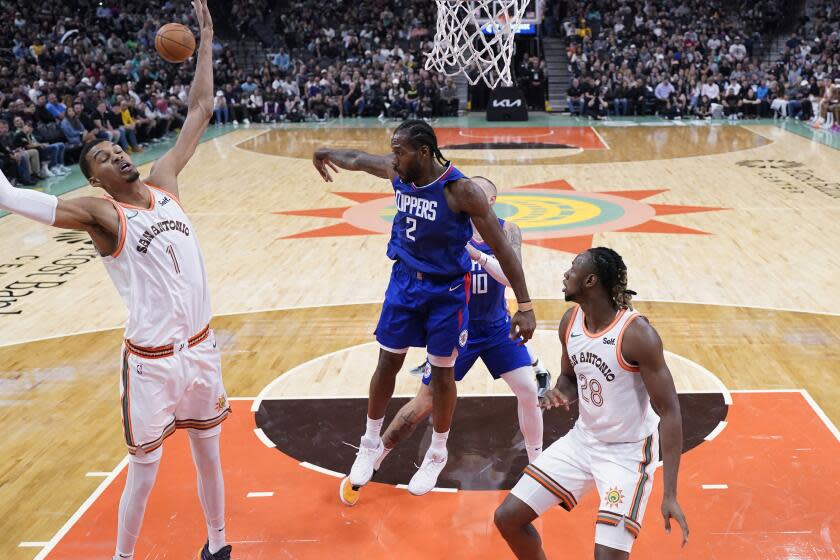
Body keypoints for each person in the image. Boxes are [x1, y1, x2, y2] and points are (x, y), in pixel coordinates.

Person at [0, 2, 232, 559]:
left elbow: (200, 107)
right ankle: (123, 558)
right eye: (103, 156)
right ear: (95, 178)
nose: (117, 156)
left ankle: (219, 546)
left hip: (200, 349)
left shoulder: (166, 179)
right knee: (145, 472)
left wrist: (204, 37)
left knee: (210, 454)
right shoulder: (103, 215)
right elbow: (16, 198)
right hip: (151, 362)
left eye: (117, 148)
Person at [313, 121, 536, 496]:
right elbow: (357, 159)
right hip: (403, 282)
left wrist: (526, 305)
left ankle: (436, 453)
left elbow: (503, 250)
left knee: (442, 376)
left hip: (445, 291)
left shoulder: (460, 191)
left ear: (424, 152)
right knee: (387, 362)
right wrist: (326, 153)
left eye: (400, 151)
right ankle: (368, 445)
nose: (393, 158)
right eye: (394, 150)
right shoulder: (398, 171)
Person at [494, 248, 689, 559]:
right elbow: (569, 378)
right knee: (507, 518)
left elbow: (670, 411)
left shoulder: (637, 334)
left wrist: (671, 494)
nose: (565, 275)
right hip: (583, 441)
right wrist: (559, 392)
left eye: (572, 269)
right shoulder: (570, 322)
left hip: (627, 454)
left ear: (590, 281)